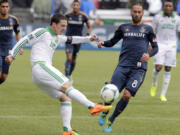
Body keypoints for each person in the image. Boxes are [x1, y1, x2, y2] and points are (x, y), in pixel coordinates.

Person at [5, 13, 112, 135]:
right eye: (62, 25)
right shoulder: (42, 32)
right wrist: (12, 55)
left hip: (38, 76)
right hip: (41, 66)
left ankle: (67, 130)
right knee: (67, 85)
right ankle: (92, 106)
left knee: (65, 98)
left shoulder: (57, 36)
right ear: (54, 24)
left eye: (66, 26)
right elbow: (23, 40)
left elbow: (72, 39)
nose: (64, 28)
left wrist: (89, 38)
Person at [97, 3, 158, 133]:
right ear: (131, 12)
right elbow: (112, 41)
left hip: (139, 69)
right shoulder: (123, 28)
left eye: (139, 12)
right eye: (134, 11)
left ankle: (111, 120)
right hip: (122, 66)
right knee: (111, 92)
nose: (136, 14)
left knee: (127, 95)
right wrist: (103, 43)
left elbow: (156, 47)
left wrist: (149, 54)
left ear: (142, 13)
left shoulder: (148, 29)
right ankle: (105, 111)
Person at [150, 0, 180, 102]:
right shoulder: (157, 17)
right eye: (166, 5)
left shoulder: (177, 19)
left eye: (169, 6)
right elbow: (152, 31)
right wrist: (151, 43)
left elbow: (179, 32)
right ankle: (154, 84)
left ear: (172, 7)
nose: (167, 7)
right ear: (163, 7)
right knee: (158, 67)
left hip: (171, 45)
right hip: (160, 44)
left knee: (168, 68)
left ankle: (163, 94)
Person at [65, 0, 92, 81]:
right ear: (72, 6)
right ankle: (66, 76)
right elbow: (61, 24)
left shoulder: (84, 16)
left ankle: (69, 74)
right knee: (69, 58)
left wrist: (87, 36)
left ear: (79, 6)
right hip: (69, 39)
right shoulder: (67, 15)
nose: (75, 6)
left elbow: (89, 27)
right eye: (74, 5)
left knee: (73, 60)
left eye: (77, 5)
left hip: (78, 40)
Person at [0, 0, 23, 85]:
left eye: (6, 7)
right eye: (3, 6)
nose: (5, 9)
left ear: (9, 7)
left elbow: (17, 34)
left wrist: (20, 46)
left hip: (8, 50)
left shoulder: (14, 19)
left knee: (4, 77)